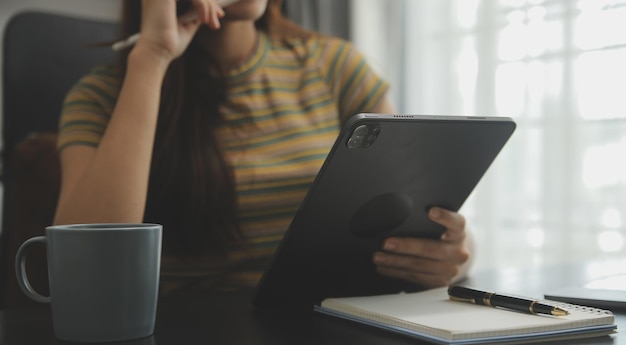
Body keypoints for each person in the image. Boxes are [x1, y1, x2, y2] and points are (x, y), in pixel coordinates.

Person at [54, 0, 472, 295]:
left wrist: (454, 256)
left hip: (336, 327)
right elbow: (84, 269)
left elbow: (415, 211)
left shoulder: (334, 66)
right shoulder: (104, 96)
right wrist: (153, 56)